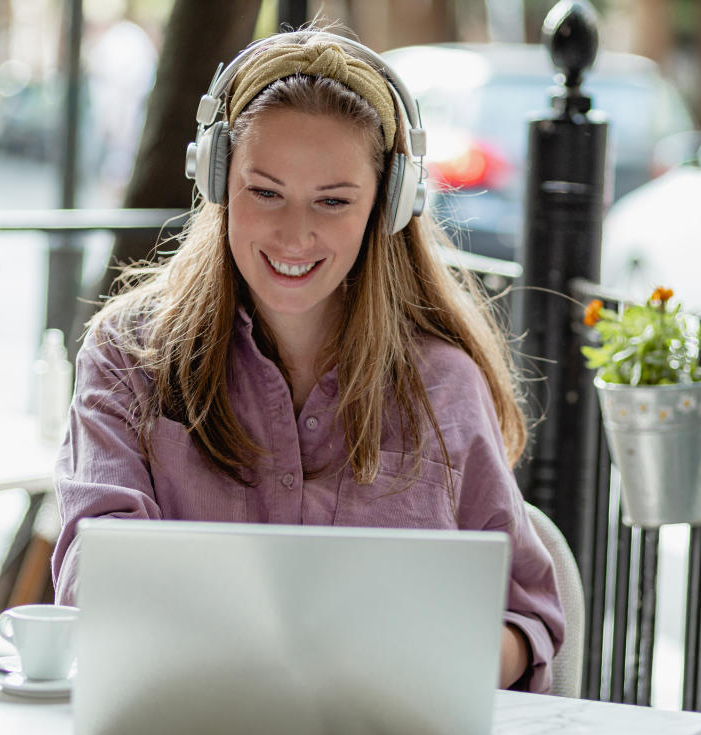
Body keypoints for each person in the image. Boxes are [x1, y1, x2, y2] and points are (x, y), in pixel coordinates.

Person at [51, 29, 564, 692]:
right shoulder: (128, 357)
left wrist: (419, 659)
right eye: (264, 192)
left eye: (333, 201)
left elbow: (527, 620)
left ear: (387, 204)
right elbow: (95, 586)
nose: (296, 234)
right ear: (217, 179)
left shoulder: (444, 384)